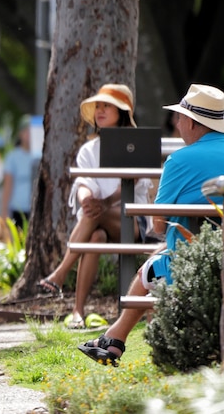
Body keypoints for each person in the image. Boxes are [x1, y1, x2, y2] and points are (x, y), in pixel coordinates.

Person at [79, 83, 224, 366]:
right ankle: (114, 338)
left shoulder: (180, 160)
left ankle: (117, 342)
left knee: (150, 268)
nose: (178, 123)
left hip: (190, 265)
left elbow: (158, 227)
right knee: (155, 260)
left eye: (181, 117)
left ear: (194, 123)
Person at [37, 84, 152, 328]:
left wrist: (104, 202)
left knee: (94, 216)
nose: (100, 110)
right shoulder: (89, 149)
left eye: (106, 106)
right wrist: (87, 200)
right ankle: (77, 311)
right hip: (99, 219)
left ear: (121, 112)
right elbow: (83, 183)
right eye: (97, 106)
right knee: (95, 235)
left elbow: (134, 182)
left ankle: (59, 274)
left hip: (134, 221)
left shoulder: (137, 143)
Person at [0, 115, 35, 228]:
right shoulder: (12, 157)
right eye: (26, 131)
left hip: (36, 209)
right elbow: (7, 185)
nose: (29, 134)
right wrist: (4, 211)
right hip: (18, 208)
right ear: (20, 133)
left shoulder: (40, 156)